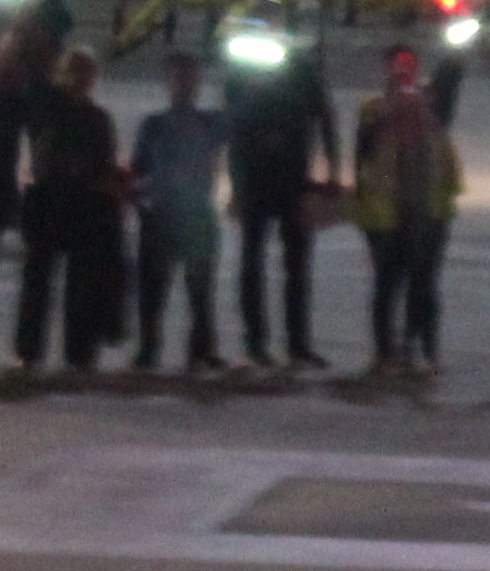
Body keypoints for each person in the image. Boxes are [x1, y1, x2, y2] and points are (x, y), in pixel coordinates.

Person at [349, 41, 464, 374]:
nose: (403, 71)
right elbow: (364, 148)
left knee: (424, 282)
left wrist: (455, 60)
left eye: (409, 64)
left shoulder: (429, 107)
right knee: (388, 281)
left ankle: (421, 348)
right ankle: (385, 352)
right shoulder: (374, 108)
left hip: (429, 207)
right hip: (387, 210)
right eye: (396, 65)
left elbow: (449, 89)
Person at [226, 24, 335, 370]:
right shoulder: (242, 70)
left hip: (292, 181)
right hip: (256, 181)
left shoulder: (301, 68)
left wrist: (332, 172)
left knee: (295, 265)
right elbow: (233, 127)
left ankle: (297, 345)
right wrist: (236, 182)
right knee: (254, 262)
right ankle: (256, 341)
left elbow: (326, 117)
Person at [14, 46, 127, 373]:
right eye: (77, 72)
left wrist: (109, 180)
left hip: (82, 206)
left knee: (80, 283)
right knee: (39, 280)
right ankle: (31, 350)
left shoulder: (96, 117)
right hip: (51, 201)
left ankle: (77, 352)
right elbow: (47, 155)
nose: (82, 80)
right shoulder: (49, 107)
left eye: (87, 73)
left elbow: (103, 161)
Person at [129, 51, 232, 372]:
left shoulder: (209, 121)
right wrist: (141, 202)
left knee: (200, 289)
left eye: (191, 78)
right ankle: (149, 348)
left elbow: (246, 117)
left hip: (195, 212)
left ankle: (200, 348)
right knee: (154, 290)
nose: (186, 85)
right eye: (179, 77)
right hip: (162, 211)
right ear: (168, 82)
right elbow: (137, 169)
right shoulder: (154, 125)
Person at [0, 0, 67, 233]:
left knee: (44, 156)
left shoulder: (48, 5)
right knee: (3, 157)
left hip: (37, 92)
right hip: (4, 94)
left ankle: (42, 215)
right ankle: (1, 217)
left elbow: (62, 28)